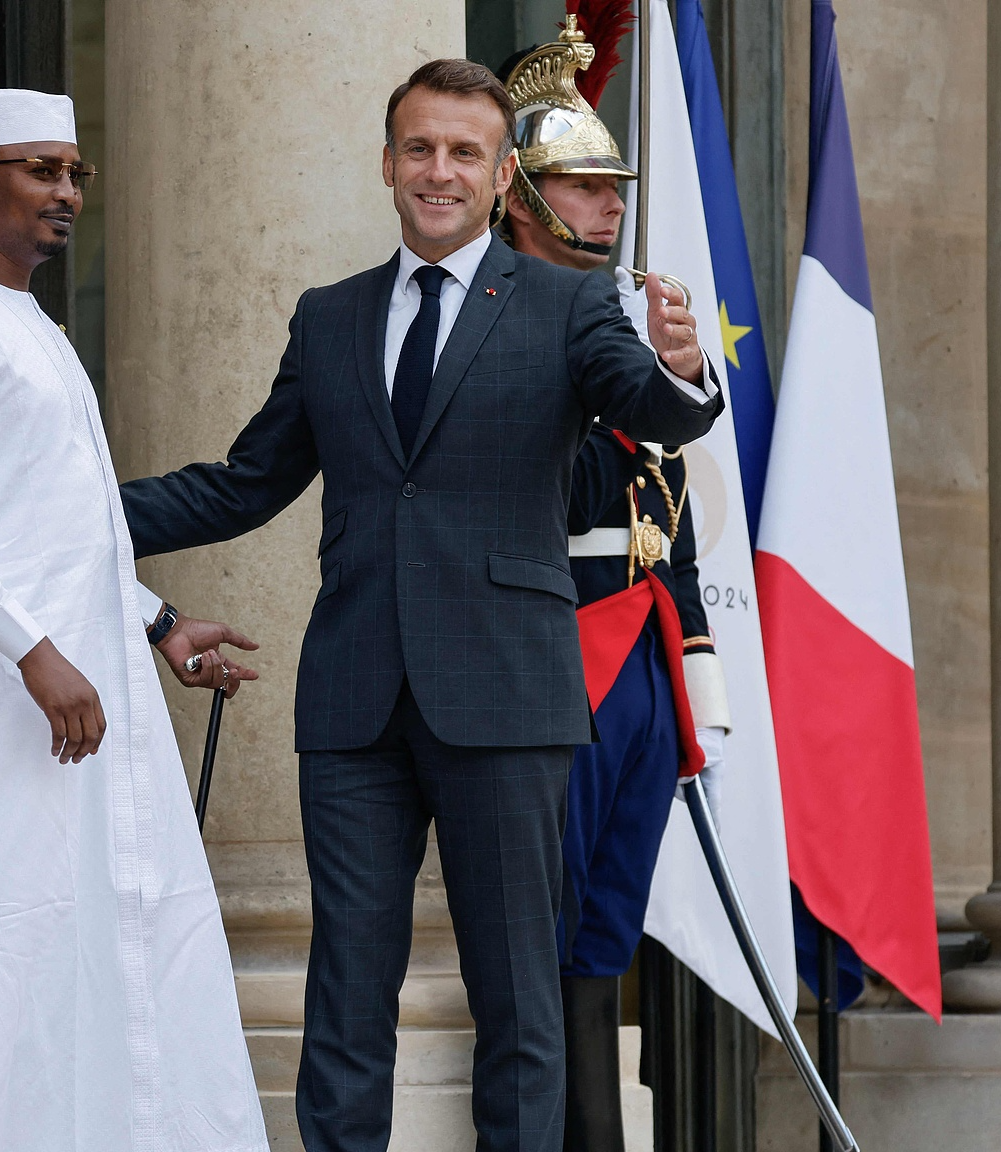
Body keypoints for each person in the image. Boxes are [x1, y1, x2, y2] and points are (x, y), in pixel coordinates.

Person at [119, 60, 723, 1152]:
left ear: (499, 180)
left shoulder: (570, 300)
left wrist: (680, 373)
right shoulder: (330, 316)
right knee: (345, 998)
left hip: (507, 700)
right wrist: (68, 515)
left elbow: (650, 409)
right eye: (417, 148)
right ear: (387, 163)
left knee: (516, 1006)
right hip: (353, 706)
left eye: (462, 153)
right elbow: (245, 482)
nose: (436, 171)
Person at [0, 88, 269, 1152]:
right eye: (41, 169)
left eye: (75, 172)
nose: (66, 191)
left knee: (98, 954)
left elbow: (59, 533)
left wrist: (155, 622)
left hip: (55, 707)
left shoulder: (30, 327)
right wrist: (37, 656)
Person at [499, 24, 735, 1151]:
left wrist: (694, 655)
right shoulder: (506, 317)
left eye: (608, 186)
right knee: (548, 938)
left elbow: (666, 498)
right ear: (522, 195)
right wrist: (628, 384)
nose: (606, 206)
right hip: (561, 647)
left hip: (639, 655)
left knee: (605, 932)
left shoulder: (620, 310)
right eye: (580, 188)